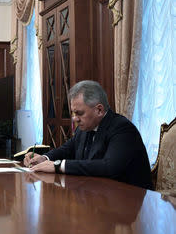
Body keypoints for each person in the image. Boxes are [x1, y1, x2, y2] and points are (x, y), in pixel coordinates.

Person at [24, 80, 152, 189]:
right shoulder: (84, 128)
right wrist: (44, 158)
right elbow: (67, 149)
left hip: (129, 200)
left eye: (79, 113)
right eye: (73, 113)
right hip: (97, 194)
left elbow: (109, 167)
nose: (74, 119)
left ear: (99, 110)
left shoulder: (122, 128)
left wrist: (58, 165)